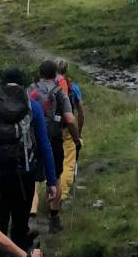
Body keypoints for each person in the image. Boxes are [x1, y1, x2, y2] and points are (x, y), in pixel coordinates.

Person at [0, 68, 58, 254]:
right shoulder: (31, 106)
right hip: (23, 176)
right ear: (22, 84)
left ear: (3, 84)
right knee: (19, 229)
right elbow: (44, 145)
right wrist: (51, 181)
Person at [28, 59, 82, 233]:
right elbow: (70, 119)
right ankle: (54, 217)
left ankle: (32, 217)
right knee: (56, 176)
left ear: (39, 73)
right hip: (54, 139)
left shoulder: (30, 90)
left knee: (34, 179)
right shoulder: (60, 92)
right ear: (55, 75)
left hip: (32, 140)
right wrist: (76, 138)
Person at [56, 58, 85, 201]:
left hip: (51, 128)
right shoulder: (72, 87)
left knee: (54, 160)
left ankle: (51, 193)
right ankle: (62, 195)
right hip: (67, 127)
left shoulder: (47, 85)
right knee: (68, 160)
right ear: (66, 70)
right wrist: (78, 133)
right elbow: (80, 111)